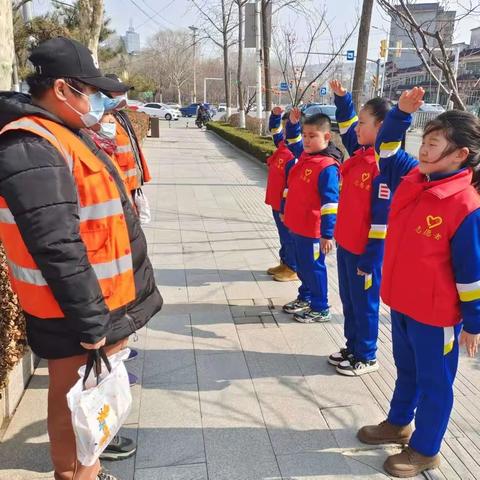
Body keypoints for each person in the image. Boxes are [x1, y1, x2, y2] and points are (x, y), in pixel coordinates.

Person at [0, 37, 163, 480]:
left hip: (95, 300)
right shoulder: (30, 145)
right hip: (74, 309)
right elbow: (56, 245)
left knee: (88, 401)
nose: (95, 100)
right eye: (88, 90)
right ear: (60, 89)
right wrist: (91, 321)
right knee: (74, 399)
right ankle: (74, 476)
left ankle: (85, 471)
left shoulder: (60, 133)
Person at [357, 87, 480, 477]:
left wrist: (474, 325)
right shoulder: (414, 179)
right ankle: (397, 422)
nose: (424, 150)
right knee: (406, 371)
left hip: (437, 315)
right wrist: (400, 115)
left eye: (434, 144)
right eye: (424, 142)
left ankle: (425, 448)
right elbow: (386, 151)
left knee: (435, 383)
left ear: (460, 155)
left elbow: (472, 273)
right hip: (405, 304)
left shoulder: (465, 206)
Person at [326, 80, 392, 376]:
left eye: (363, 123)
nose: (356, 128)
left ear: (381, 128)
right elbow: (347, 123)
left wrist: (371, 258)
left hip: (366, 254)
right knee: (350, 301)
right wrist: (342, 99)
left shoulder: (383, 167)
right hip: (346, 246)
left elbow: (383, 220)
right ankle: (352, 346)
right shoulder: (360, 154)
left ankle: (366, 354)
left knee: (365, 304)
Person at [282, 107, 342, 323]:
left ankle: (320, 307)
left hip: (313, 231)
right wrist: (292, 123)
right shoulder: (306, 156)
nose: (306, 140)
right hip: (298, 227)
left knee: (314, 267)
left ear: (326, 137)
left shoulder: (327, 167)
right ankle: (306, 296)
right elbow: (292, 140)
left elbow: (330, 203)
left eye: (312, 136)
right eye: (305, 135)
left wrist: (327, 234)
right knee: (303, 265)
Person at [102, 75, 152, 202]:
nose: (123, 96)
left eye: (123, 92)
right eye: (118, 92)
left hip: (131, 185)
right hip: (118, 189)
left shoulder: (121, 116)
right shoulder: (100, 121)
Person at [265, 106, 298, 282]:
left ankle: (293, 268)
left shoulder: (294, 154)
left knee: (289, 236)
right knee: (282, 236)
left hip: (286, 204)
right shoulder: (282, 145)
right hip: (275, 201)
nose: (284, 131)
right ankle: (284, 262)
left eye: (289, 127)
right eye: (285, 127)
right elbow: (274, 131)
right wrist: (275, 116)